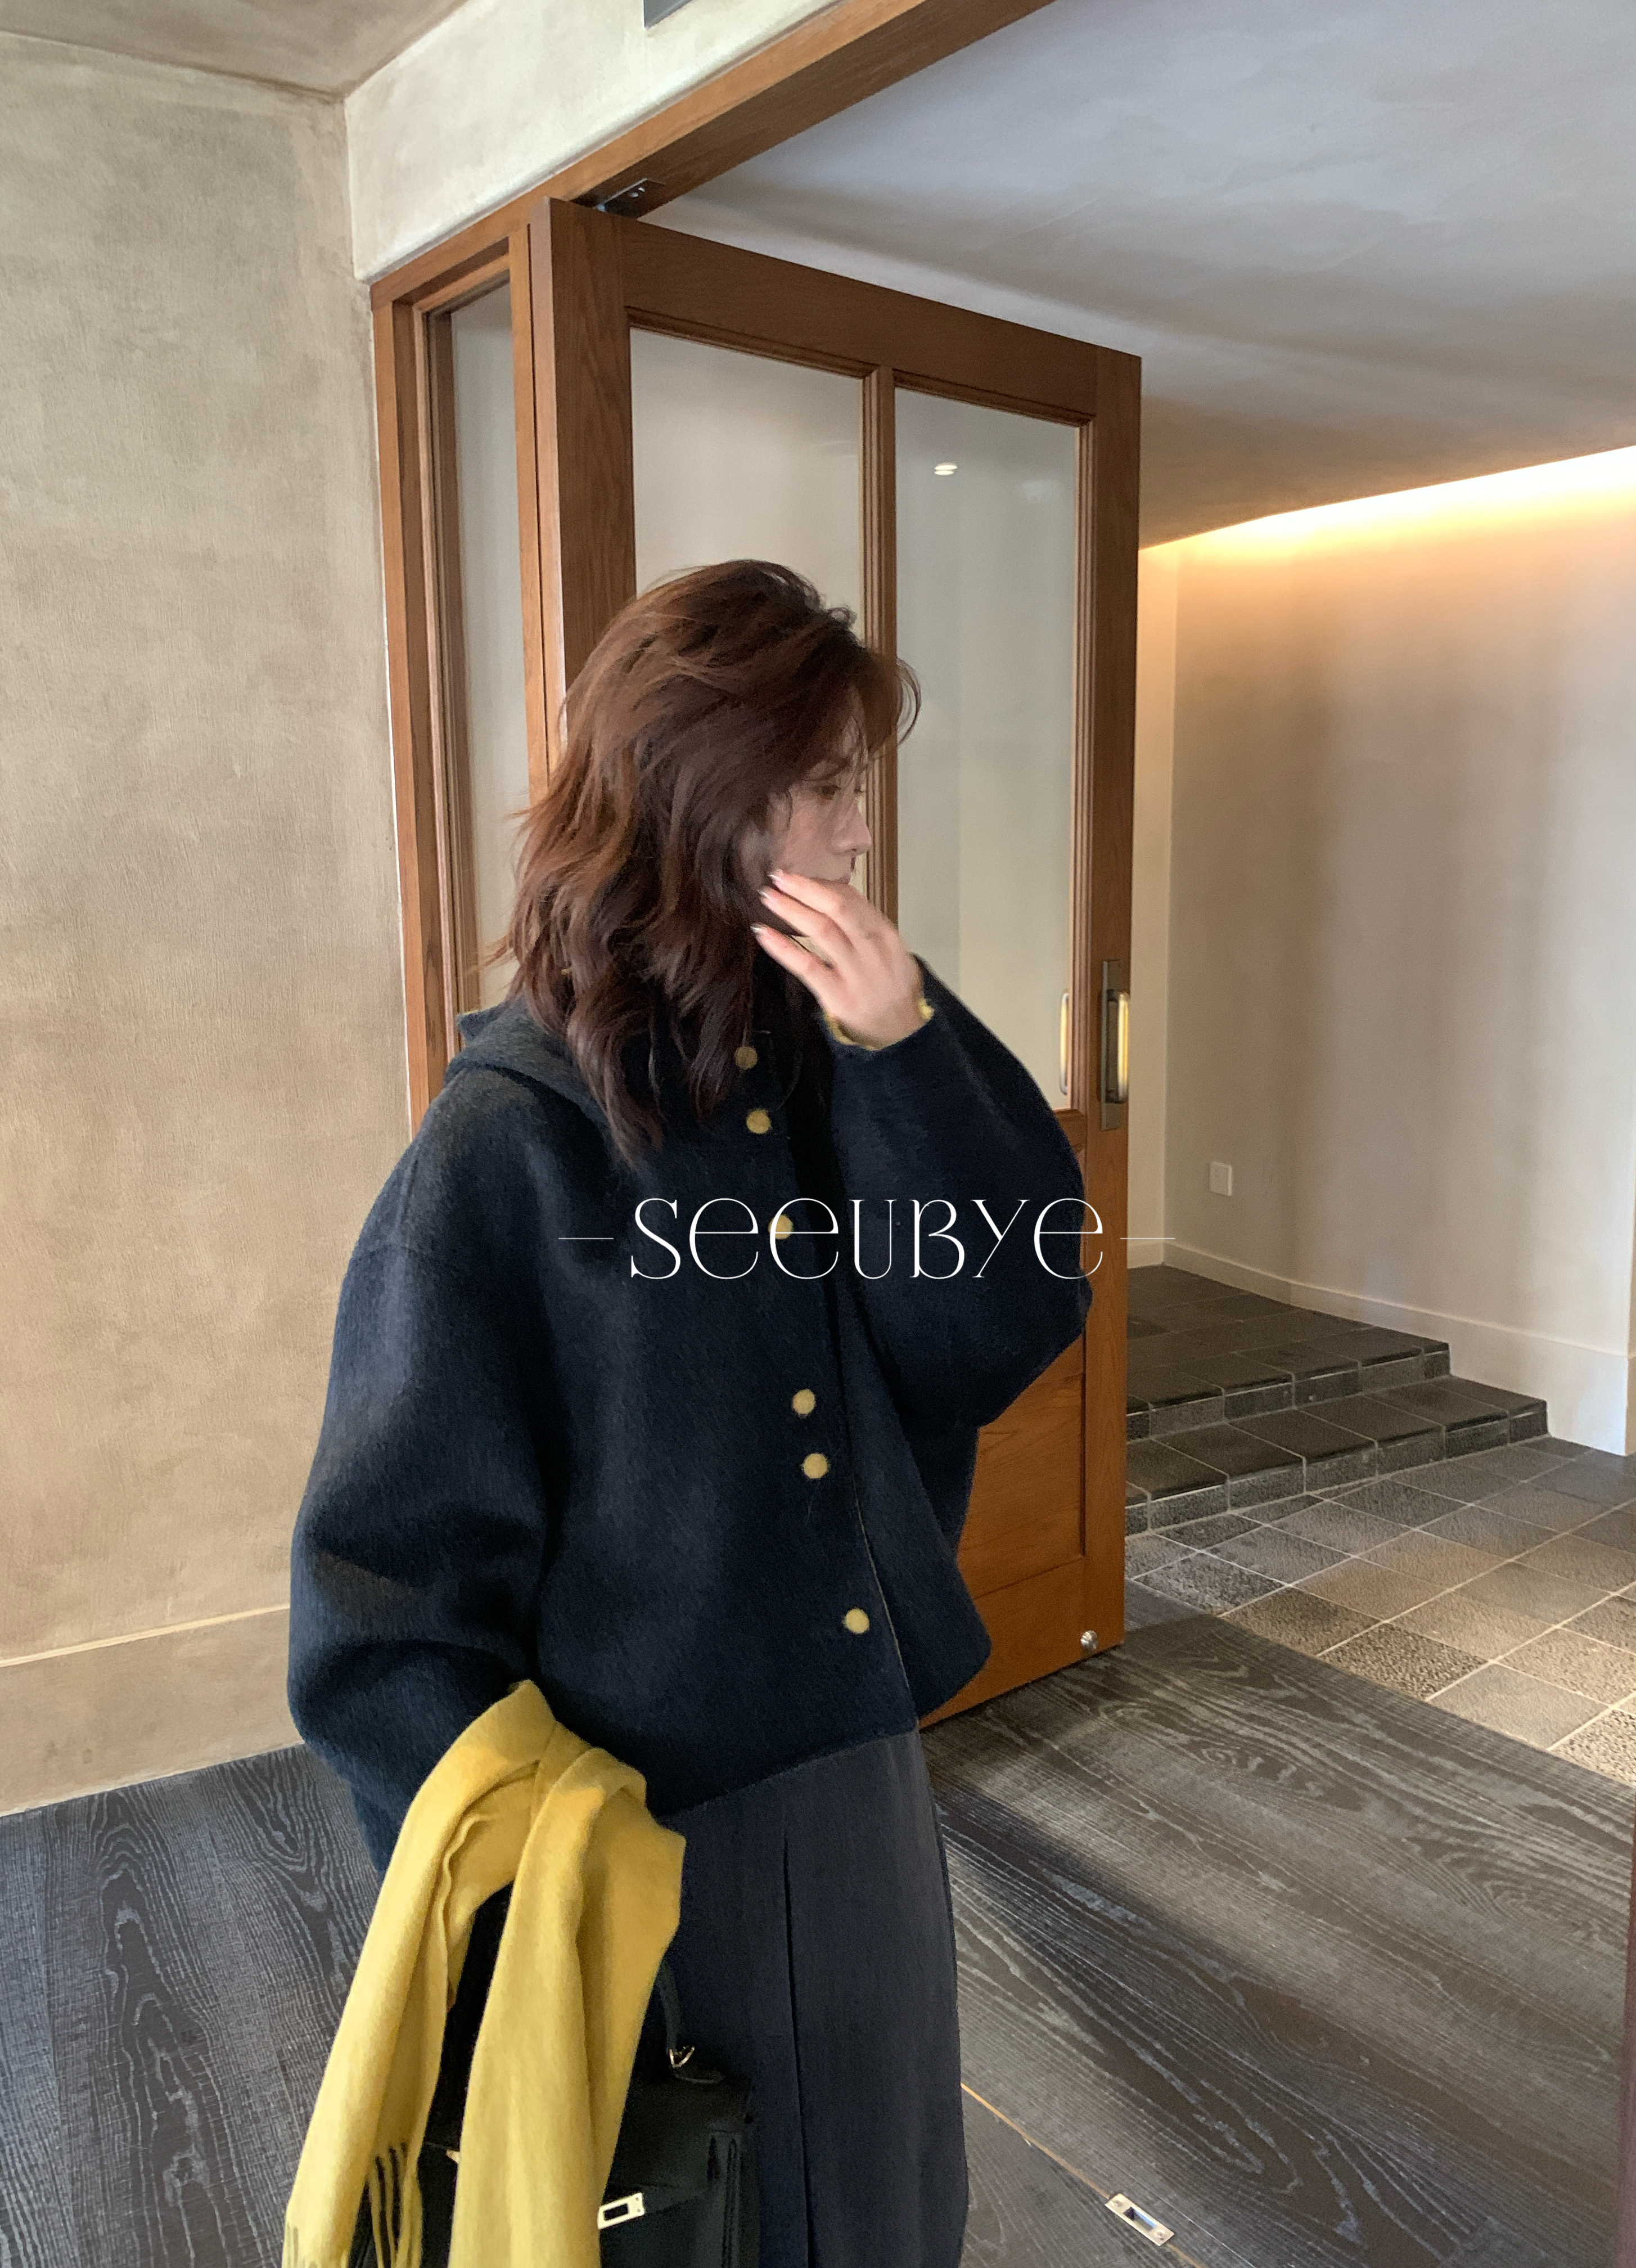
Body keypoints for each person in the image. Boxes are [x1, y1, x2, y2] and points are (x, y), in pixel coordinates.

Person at [287, 559, 1094, 2268]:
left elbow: (1005, 1320)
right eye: (827, 786)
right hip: (639, 1838)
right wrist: (532, 1906)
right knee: (698, 2223)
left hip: (858, 1780)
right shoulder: (504, 1149)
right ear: (700, 799)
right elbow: (380, 1613)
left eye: (858, 784)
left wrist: (905, 1049)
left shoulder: (835, 1054)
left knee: (887, 2199)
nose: (859, 830)